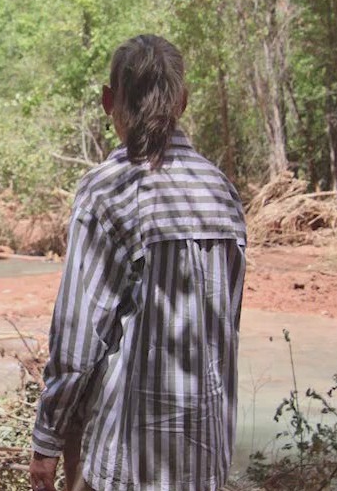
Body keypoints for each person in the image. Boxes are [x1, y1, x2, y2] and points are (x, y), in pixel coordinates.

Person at [29, 35, 248, 491]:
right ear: (182, 102)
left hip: (127, 458)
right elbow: (227, 327)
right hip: (205, 458)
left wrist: (46, 440)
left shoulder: (108, 189)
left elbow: (78, 340)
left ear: (110, 101)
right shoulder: (222, 192)